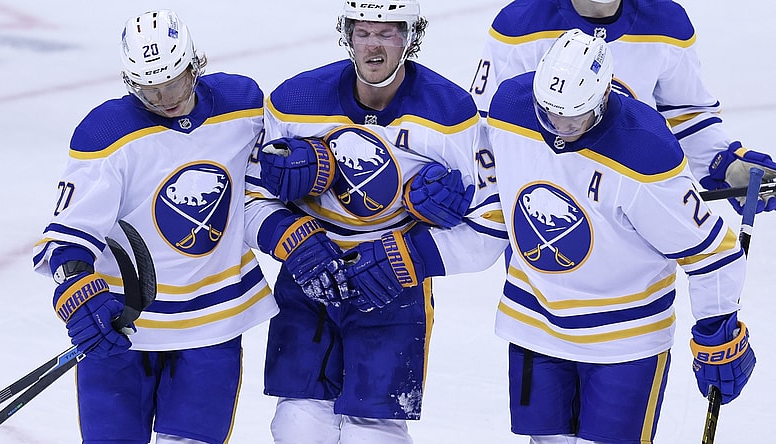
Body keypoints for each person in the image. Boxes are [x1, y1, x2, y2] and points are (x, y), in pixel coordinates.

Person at [242, 0, 507, 442]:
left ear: (411, 36)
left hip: (394, 287)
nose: (373, 45)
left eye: (387, 33)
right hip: (310, 275)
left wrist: (410, 256)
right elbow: (251, 197)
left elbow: (491, 221)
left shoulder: (451, 113)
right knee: (297, 424)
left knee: (375, 432)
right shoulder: (295, 101)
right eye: (363, 31)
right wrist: (293, 240)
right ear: (346, 33)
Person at [485, 28, 755, 443]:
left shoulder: (644, 153)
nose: (560, 126)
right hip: (531, 326)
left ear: (603, 97)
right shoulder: (508, 108)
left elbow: (711, 252)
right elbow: (482, 178)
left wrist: (717, 328)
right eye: (550, 112)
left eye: (574, 115)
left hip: (625, 342)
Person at [32, 9, 278, 444]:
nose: (163, 99)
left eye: (173, 83)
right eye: (149, 91)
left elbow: (262, 187)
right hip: (123, 325)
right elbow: (69, 236)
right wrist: (76, 295)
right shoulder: (107, 132)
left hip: (212, 321)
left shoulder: (243, 105)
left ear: (194, 65)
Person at [470, 0, 776, 214]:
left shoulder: (665, 22)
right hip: (545, 215)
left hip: (635, 214)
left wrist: (724, 163)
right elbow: (485, 134)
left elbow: (686, 116)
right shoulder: (520, 26)